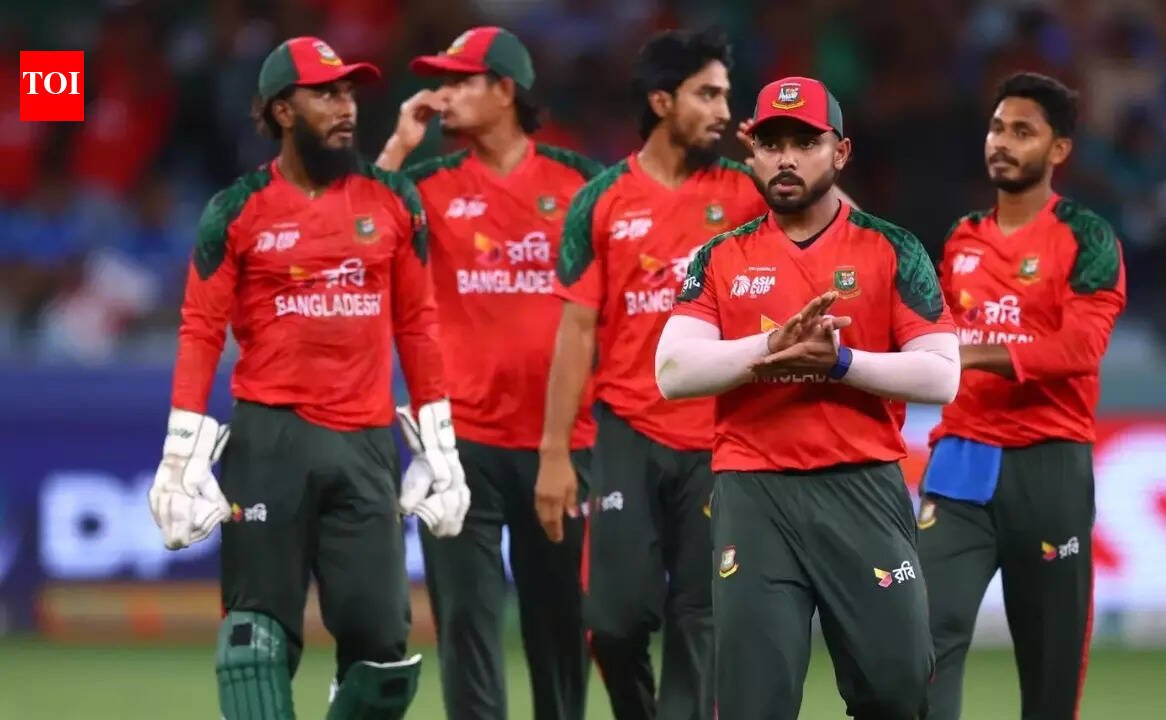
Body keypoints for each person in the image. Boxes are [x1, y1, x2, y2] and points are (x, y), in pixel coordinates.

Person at [148, 36, 468, 720]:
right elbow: (200, 329)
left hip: (366, 445)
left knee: (383, 656)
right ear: (282, 111)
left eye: (348, 92)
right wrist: (179, 454)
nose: (345, 106)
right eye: (325, 94)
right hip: (270, 442)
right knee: (252, 642)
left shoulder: (394, 200)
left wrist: (440, 445)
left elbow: (418, 325)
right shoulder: (237, 208)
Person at [655, 75, 960, 720]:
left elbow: (942, 375)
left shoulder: (892, 248)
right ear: (753, 155)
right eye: (771, 144)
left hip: (862, 487)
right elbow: (673, 371)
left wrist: (839, 362)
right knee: (753, 703)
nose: (786, 158)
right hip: (754, 494)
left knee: (899, 688)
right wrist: (771, 347)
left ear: (839, 153)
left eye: (804, 142)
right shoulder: (719, 256)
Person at [536, 26, 766, 720]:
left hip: (720, 436)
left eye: (725, 94)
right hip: (628, 432)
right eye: (707, 94)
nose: (724, 110)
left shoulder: (748, 194)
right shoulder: (602, 199)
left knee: (702, 618)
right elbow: (576, 331)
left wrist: (786, 171)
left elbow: (846, 235)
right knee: (612, 621)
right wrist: (554, 454)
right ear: (662, 101)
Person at [375, 26, 602, 720]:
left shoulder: (582, 183)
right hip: (458, 444)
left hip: (562, 445)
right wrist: (397, 147)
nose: (442, 94)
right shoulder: (425, 185)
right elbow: (352, 238)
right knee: (467, 628)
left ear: (506, 90)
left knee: (560, 630)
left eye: (460, 80)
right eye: (440, 80)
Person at [917, 72, 1127, 720]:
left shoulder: (1087, 237)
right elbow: (930, 337)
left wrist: (972, 352)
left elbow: (1080, 348)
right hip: (960, 457)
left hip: (1048, 464)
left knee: (1049, 670)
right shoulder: (961, 238)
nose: (1002, 142)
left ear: (1058, 149)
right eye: (996, 128)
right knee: (919, 639)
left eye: (1022, 132)